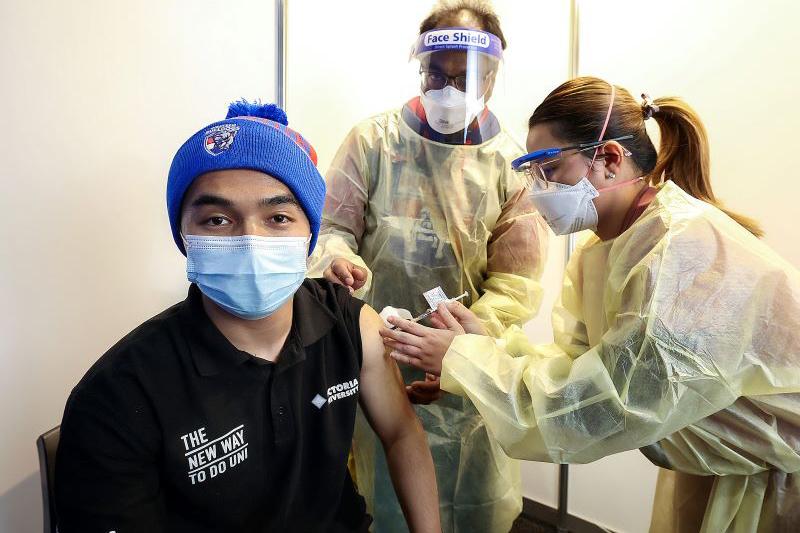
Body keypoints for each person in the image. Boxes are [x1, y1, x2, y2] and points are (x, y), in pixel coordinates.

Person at [381, 76, 800, 532]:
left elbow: (603, 408)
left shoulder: (684, 252)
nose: (538, 189)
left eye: (551, 169)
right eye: (532, 174)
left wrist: (465, 361)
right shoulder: (602, 250)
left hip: (779, 482)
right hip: (721, 468)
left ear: (609, 159)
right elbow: (578, 365)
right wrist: (485, 348)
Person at [55, 101, 441, 533]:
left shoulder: (349, 325)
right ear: (184, 236)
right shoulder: (119, 396)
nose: (250, 241)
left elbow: (402, 433)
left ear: (310, 235)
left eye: (278, 217)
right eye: (217, 220)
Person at [307, 1, 550, 531]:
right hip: (381, 359)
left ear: (491, 77)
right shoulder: (373, 143)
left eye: (465, 78)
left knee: (474, 502)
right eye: (436, 74)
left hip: (467, 370)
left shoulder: (511, 168)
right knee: (384, 497)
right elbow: (332, 230)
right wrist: (339, 260)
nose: (447, 90)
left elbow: (514, 286)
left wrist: (460, 356)